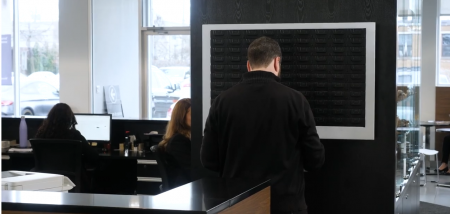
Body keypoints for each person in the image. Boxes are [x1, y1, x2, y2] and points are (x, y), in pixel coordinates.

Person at [201, 36, 325, 214]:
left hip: (238, 206)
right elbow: (315, 159)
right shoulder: (296, 100)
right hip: (285, 206)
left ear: (248, 65)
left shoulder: (222, 101)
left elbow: (208, 160)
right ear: (276, 62)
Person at [35, 103, 98, 192]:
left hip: (46, 180)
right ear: (69, 119)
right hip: (71, 181)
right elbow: (93, 156)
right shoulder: (74, 135)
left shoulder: (41, 134)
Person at [158, 98, 192, 190]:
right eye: (192, 114)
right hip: (183, 189)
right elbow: (191, 170)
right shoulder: (178, 141)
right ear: (181, 117)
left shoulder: (185, 138)